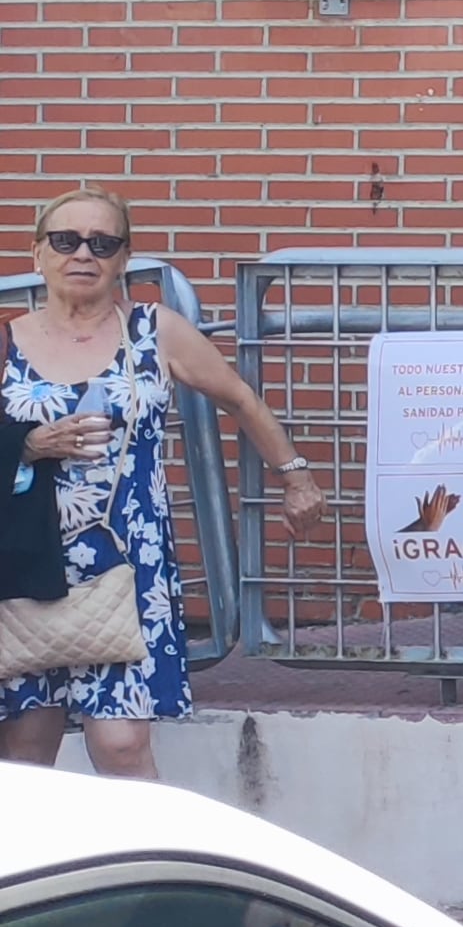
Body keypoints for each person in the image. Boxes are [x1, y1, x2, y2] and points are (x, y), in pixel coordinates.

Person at [1, 189, 327, 780]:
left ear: (124, 258)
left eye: (103, 243)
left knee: (122, 745)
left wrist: (294, 476)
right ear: (38, 253)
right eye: (66, 240)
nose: (83, 254)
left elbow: (240, 398)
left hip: (129, 560)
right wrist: (25, 444)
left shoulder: (154, 330)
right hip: (28, 565)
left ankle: (150, 870)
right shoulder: (6, 342)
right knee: (25, 752)